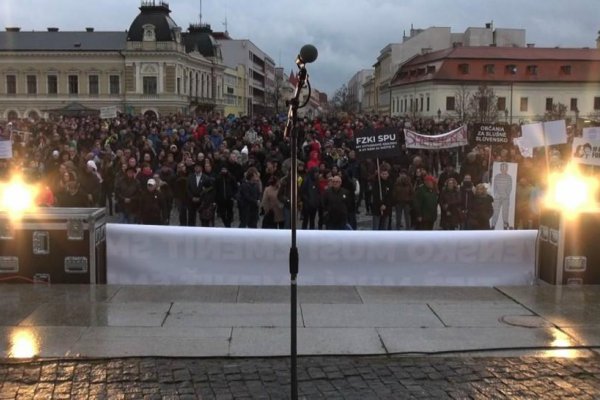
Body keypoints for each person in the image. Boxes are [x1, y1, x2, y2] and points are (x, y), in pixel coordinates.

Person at [371, 165, 394, 230]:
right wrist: (380, 204)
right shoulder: (376, 183)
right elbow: (375, 195)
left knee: (385, 227)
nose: (384, 175)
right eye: (382, 174)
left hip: (386, 208)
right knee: (376, 227)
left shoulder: (390, 183)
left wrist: (385, 204)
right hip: (377, 208)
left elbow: (390, 196)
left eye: (385, 174)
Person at [491, 162, 513, 230]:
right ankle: (493, 225)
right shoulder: (497, 176)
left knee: (505, 212)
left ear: (507, 169)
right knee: (495, 212)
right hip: (497, 197)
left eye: (505, 167)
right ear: (500, 169)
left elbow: (509, 188)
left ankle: (505, 225)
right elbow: (494, 187)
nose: (504, 169)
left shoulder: (509, 177)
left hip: (505, 198)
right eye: (502, 168)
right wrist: (496, 195)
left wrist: (506, 195)